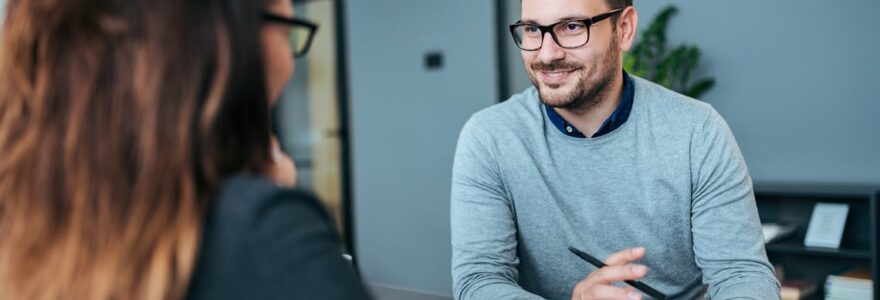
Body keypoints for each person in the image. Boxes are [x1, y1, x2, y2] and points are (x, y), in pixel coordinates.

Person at [0, 0, 371, 299]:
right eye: (288, 34)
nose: (289, 66)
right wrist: (263, 206)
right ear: (220, 41)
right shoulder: (260, 234)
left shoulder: (27, 222)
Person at [450, 0, 780, 299]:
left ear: (623, 29)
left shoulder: (698, 131)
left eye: (572, 27)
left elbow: (742, 274)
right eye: (534, 30)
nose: (547, 54)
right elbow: (479, 281)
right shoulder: (489, 138)